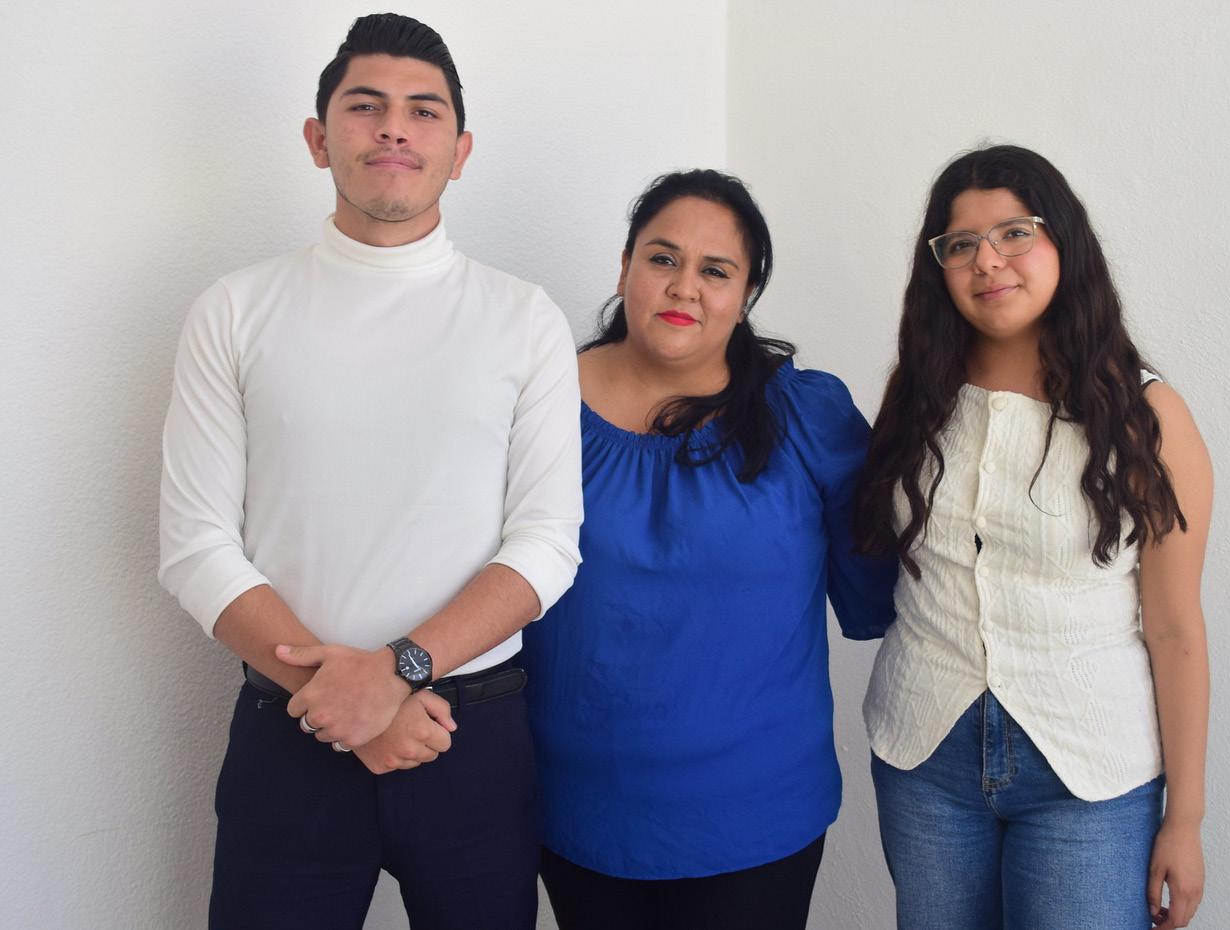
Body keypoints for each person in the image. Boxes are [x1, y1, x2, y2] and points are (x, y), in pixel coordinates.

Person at [157, 13, 582, 929]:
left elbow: (546, 546)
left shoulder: (524, 318)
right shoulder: (234, 310)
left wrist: (396, 675)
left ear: (460, 151)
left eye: (423, 111)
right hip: (289, 735)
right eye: (366, 106)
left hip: (468, 735)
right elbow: (195, 546)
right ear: (319, 139)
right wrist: (342, 700)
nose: (394, 128)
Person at [522, 169, 898, 930]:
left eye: (715, 270)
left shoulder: (808, 415)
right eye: (662, 258)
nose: (683, 287)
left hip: (756, 813)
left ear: (747, 292)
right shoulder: (536, 400)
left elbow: (877, 591)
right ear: (625, 266)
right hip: (574, 803)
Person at [855, 145, 1211, 930]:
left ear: (1063, 243)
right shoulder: (915, 394)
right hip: (923, 755)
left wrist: (1184, 819)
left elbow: (1175, 628)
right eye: (960, 244)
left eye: (1013, 233)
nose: (987, 261)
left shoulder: (1146, 417)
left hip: (1087, 770)